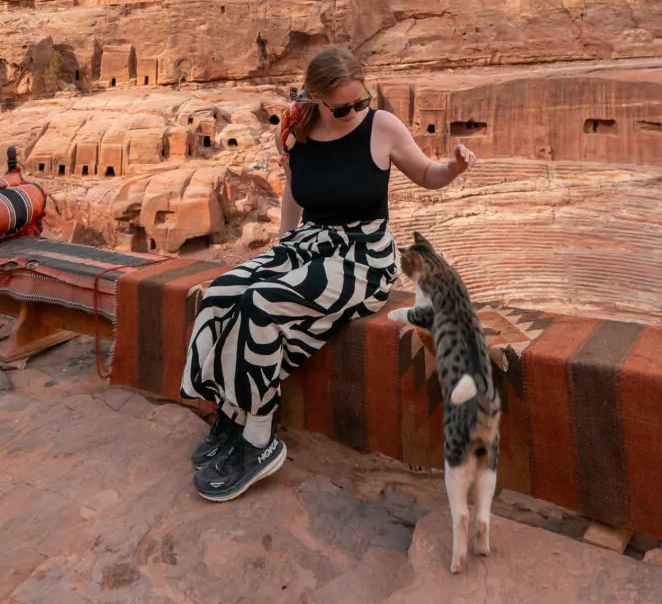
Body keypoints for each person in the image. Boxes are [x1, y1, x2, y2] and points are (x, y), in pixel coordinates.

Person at [181, 46, 476, 502]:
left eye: (362, 101)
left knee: (261, 302)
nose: (356, 112)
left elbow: (427, 174)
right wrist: (282, 243)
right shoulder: (297, 131)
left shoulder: (382, 126)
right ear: (315, 98)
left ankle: (259, 436)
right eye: (343, 108)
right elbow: (295, 194)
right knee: (223, 291)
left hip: (364, 258)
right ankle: (233, 410)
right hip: (310, 244)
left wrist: (453, 167)